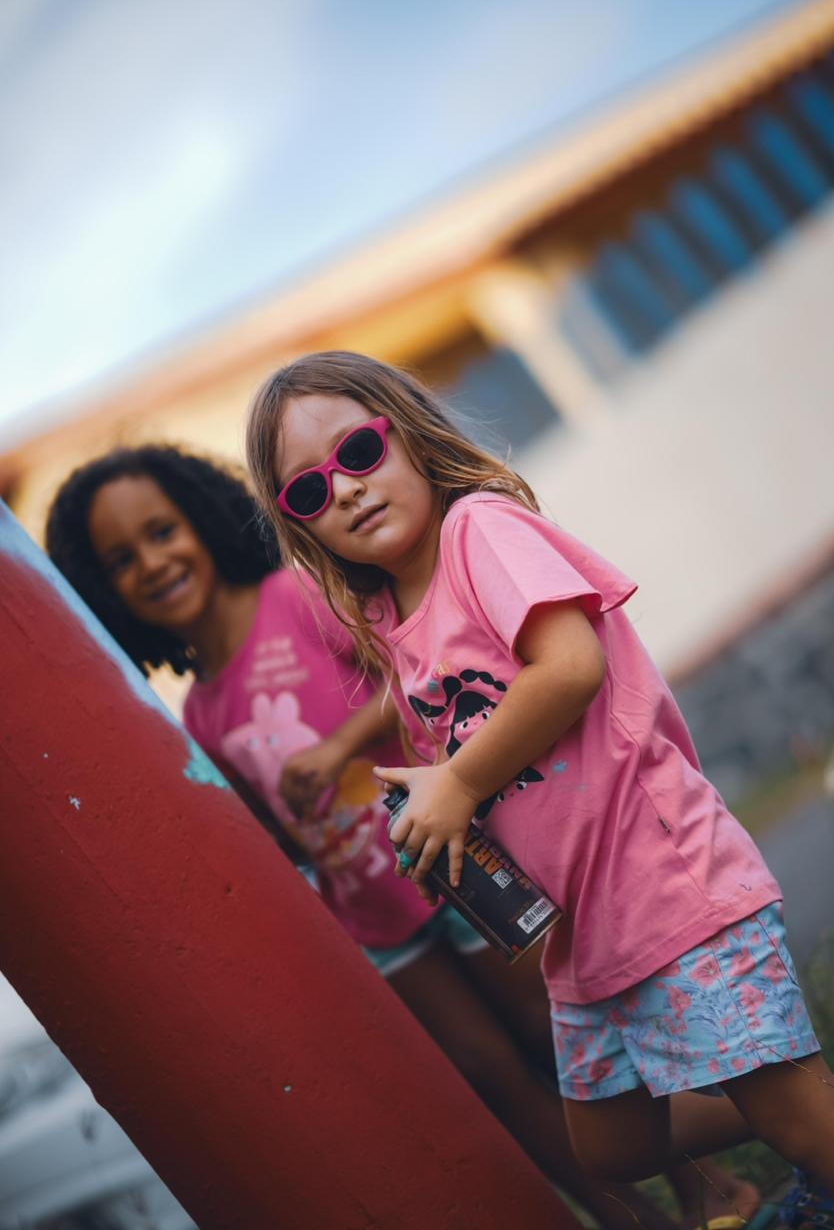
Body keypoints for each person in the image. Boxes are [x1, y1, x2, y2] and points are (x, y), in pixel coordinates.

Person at [45, 444, 740, 1230]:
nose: (152, 563)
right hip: (372, 912)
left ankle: (707, 1185)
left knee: (555, 1041)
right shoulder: (200, 711)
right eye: (121, 560)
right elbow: (272, 826)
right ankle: (624, 1220)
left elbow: (409, 672)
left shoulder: (298, 596)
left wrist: (339, 748)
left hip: (457, 860)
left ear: (203, 519)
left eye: (162, 531)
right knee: (488, 1075)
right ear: (105, 590)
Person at [244, 348, 834, 1220]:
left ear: (407, 435)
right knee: (612, 1143)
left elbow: (567, 668)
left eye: (359, 453)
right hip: (579, 930)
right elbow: (469, 748)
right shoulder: (388, 621)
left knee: (785, 1103)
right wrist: (443, 814)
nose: (348, 489)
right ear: (302, 527)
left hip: (658, 879)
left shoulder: (477, 531)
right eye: (310, 491)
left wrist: (458, 780)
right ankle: (783, 1107)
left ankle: (804, 1135)